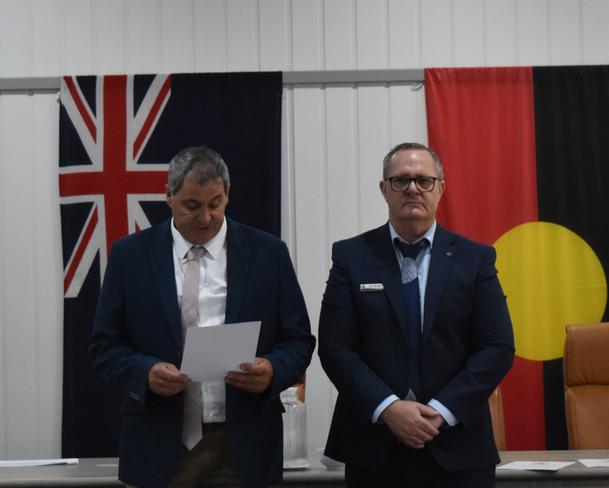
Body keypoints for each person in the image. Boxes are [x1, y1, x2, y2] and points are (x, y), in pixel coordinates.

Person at [90, 146, 315, 488]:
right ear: (168, 196)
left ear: (227, 195)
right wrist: (145, 372)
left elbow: (298, 340)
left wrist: (271, 371)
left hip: (245, 443)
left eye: (216, 204)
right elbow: (104, 345)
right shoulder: (130, 256)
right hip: (160, 441)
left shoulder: (268, 253)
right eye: (192, 206)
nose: (206, 217)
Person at [318, 142, 514, 487]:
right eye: (401, 180)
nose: (413, 189)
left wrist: (440, 411)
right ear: (384, 189)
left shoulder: (475, 259)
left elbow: (496, 347)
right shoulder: (351, 257)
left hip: (458, 449)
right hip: (374, 449)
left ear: (441, 188)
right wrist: (389, 407)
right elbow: (336, 348)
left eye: (424, 180)